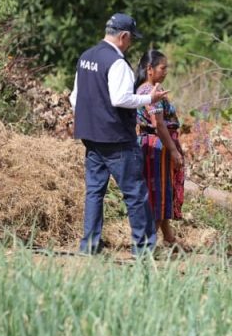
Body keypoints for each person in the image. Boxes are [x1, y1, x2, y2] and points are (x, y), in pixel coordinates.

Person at [69, 13, 168, 255]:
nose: (131, 43)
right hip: (116, 139)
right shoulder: (117, 62)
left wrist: (92, 119)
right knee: (135, 193)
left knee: (94, 192)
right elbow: (120, 98)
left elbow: (74, 98)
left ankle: (89, 247)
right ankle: (143, 249)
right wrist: (150, 98)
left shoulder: (86, 57)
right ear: (123, 36)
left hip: (91, 137)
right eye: (131, 39)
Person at [135, 49, 185, 247]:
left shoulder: (150, 89)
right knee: (157, 194)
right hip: (156, 148)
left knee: (162, 192)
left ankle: (170, 239)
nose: (166, 71)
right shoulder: (148, 92)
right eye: (162, 68)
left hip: (156, 145)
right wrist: (173, 150)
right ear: (149, 69)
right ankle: (146, 245)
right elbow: (159, 124)